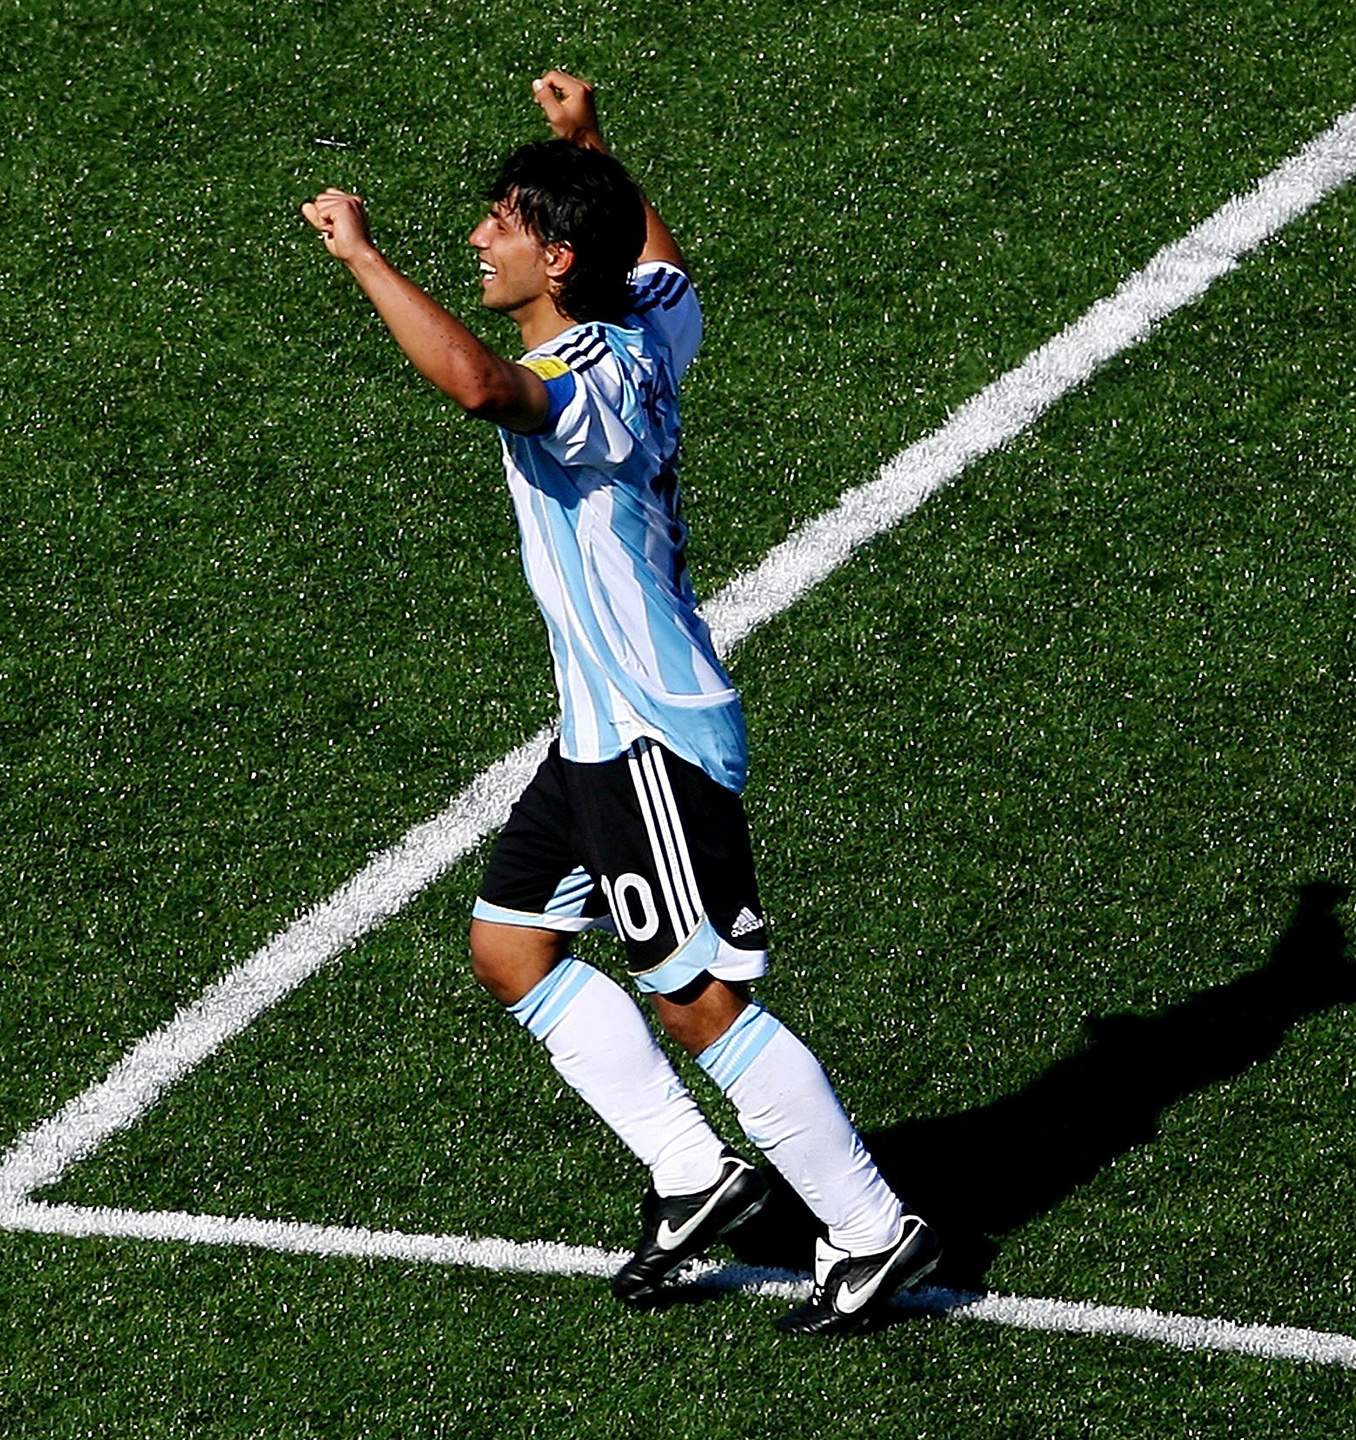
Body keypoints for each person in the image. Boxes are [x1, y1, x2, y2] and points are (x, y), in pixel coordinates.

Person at [301, 70, 938, 1330]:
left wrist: (364, 260)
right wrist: (586, 145)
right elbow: (664, 266)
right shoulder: (641, 321)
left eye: (500, 221)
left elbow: (483, 389)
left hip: (650, 733)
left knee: (697, 999)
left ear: (557, 256)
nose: (477, 238)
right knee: (511, 947)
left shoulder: (587, 380)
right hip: (599, 730)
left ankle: (873, 1231)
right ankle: (694, 1174)